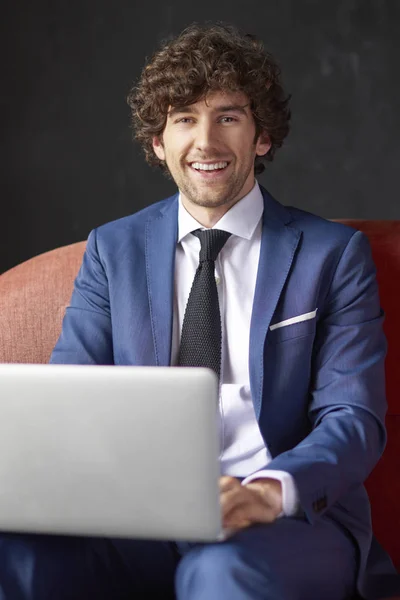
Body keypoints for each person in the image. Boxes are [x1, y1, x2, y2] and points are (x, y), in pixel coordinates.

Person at [1, 22, 398, 600]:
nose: (206, 141)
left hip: (283, 524)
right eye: (184, 118)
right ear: (158, 142)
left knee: (219, 575)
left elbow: (353, 418)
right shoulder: (112, 251)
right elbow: (69, 395)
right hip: (134, 518)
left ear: (262, 136)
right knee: (15, 553)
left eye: (228, 117)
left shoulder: (331, 256)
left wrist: (266, 492)